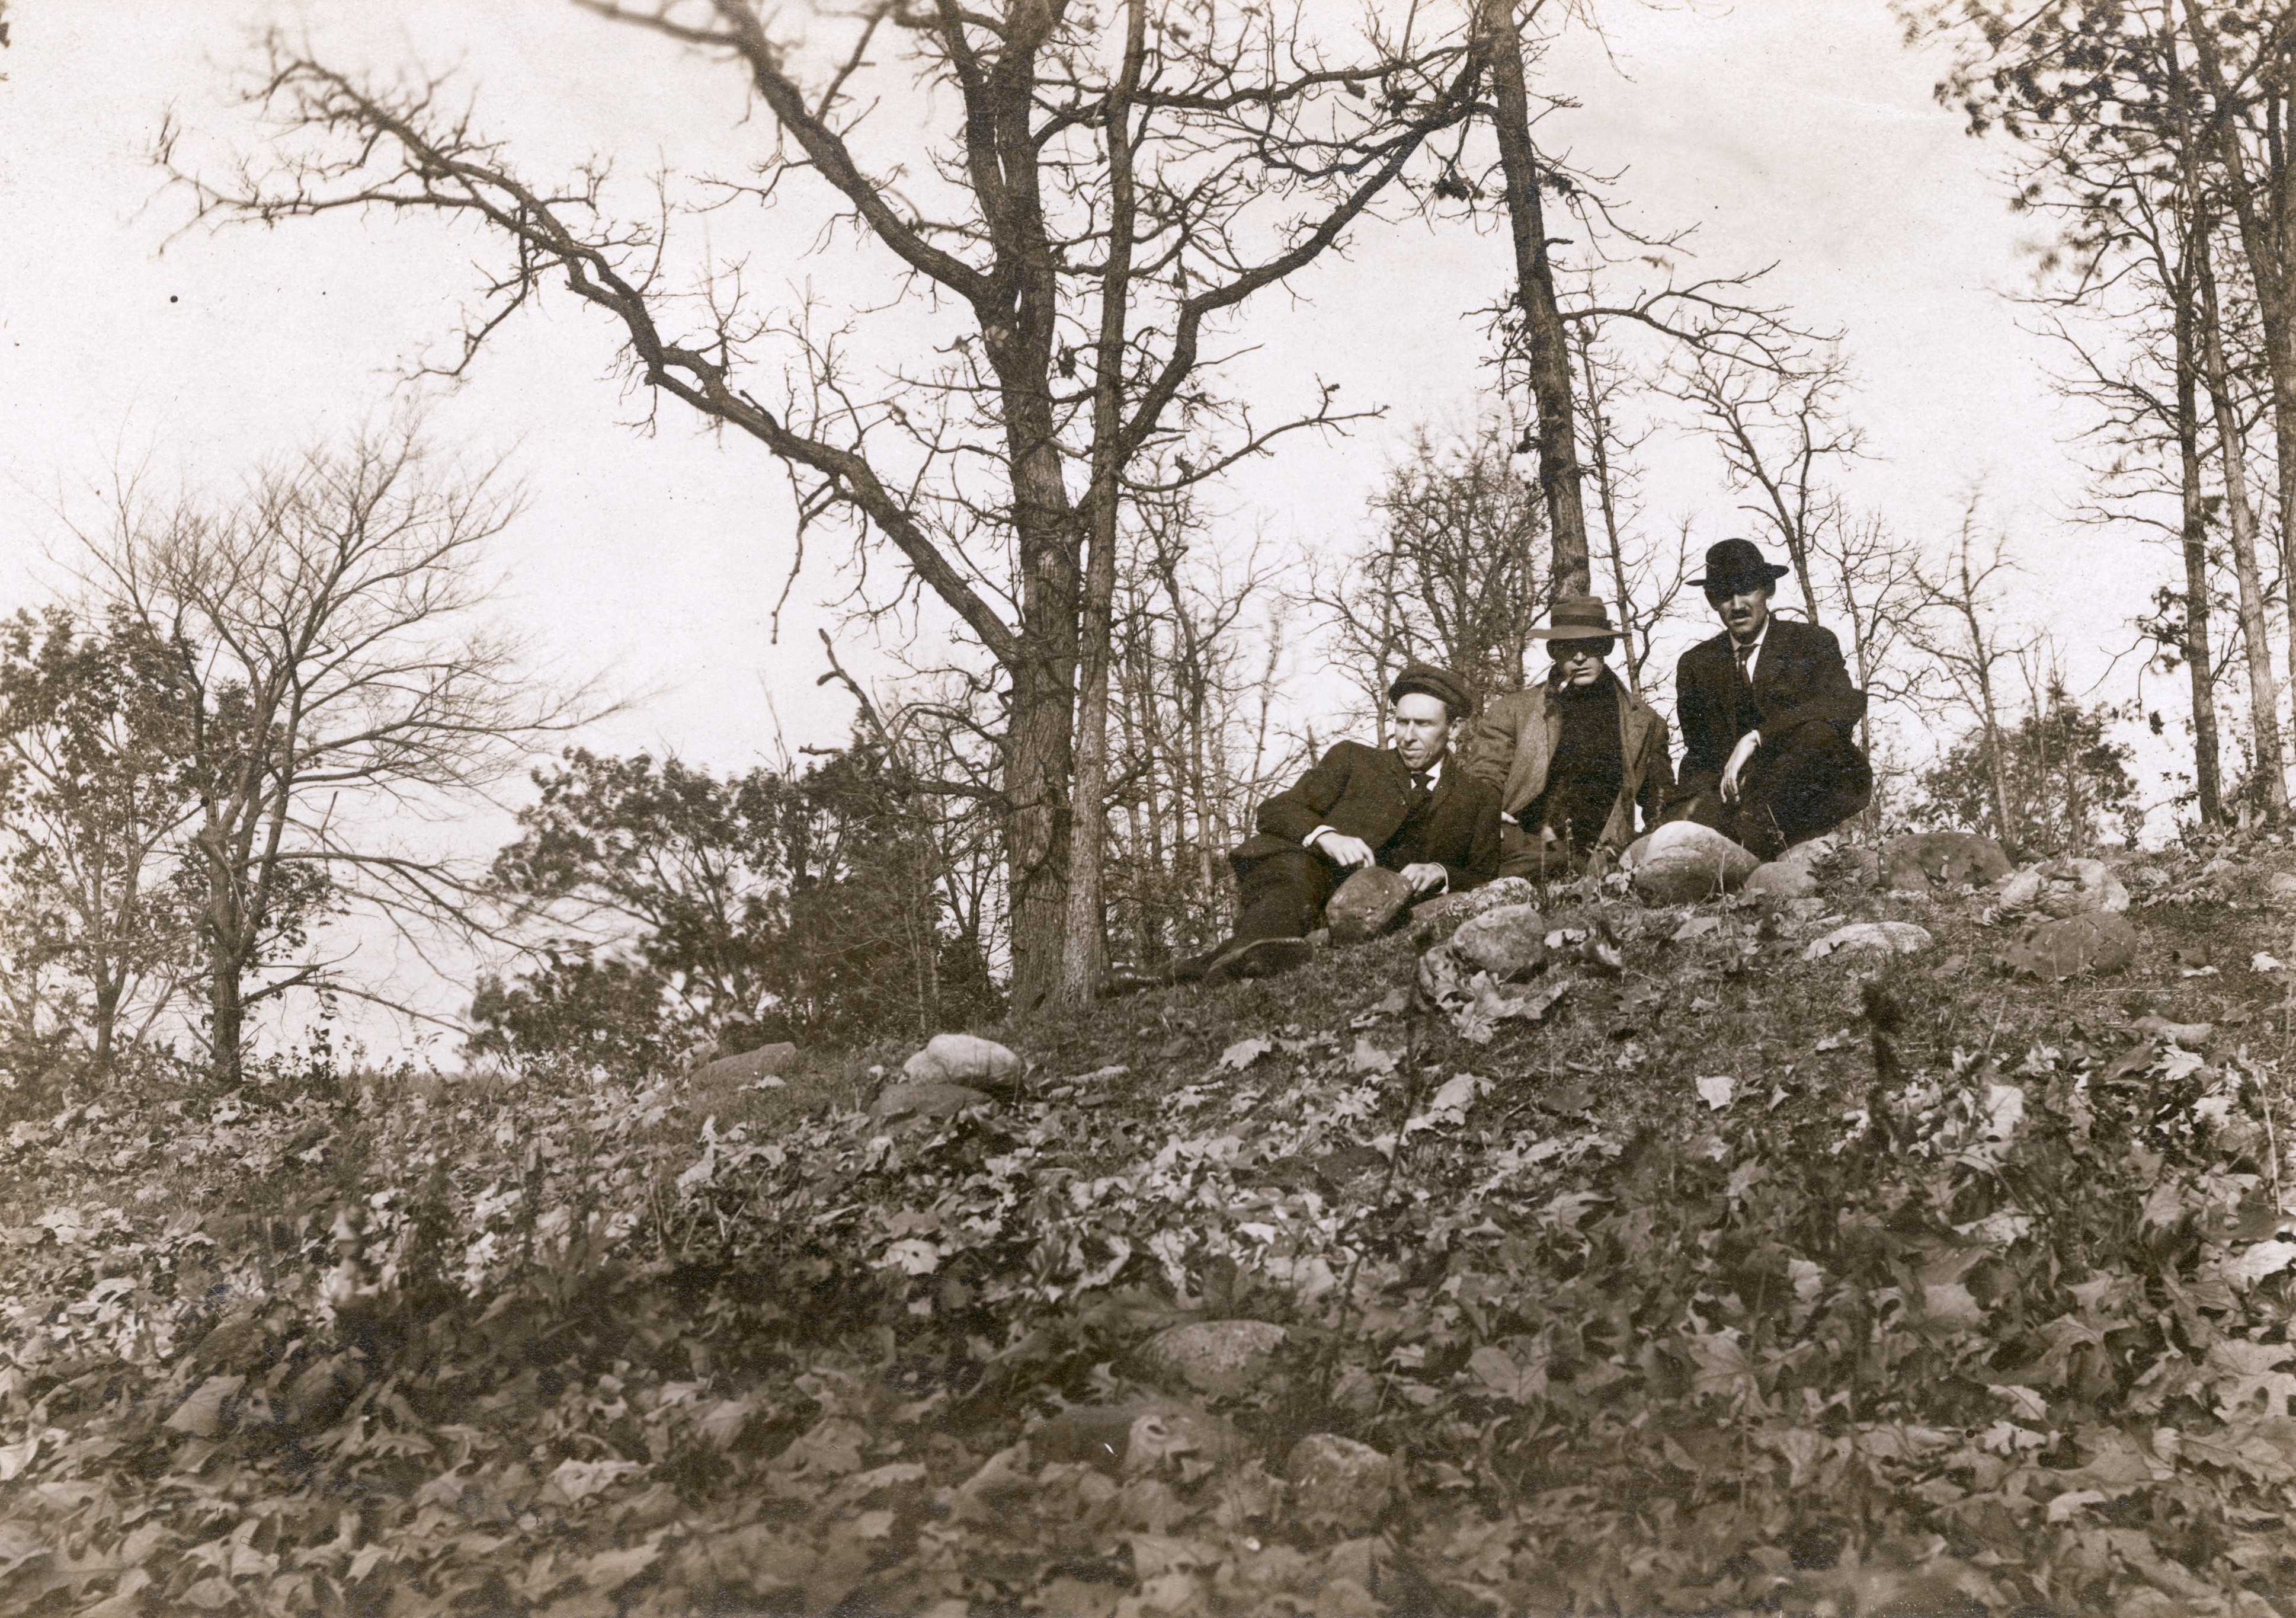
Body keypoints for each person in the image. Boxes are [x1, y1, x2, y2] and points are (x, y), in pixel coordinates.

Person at [1158, 663, 1501, 987]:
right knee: (1294, 875)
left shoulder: (1478, 797)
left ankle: (1185, 973)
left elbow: (1485, 875)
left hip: (1375, 913)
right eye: (1401, 722)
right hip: (1308, 884)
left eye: (1424, 724)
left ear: (1454, 728)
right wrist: (1328, 836)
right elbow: (1278, 809)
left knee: (1259, 946)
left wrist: (1441, 873)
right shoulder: (1354, 760)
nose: (1408, 736)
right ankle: (1244, 963)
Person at [1672, 538, 1871, 859]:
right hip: (1734, 796)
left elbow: (1846, 703)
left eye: (1747, 590)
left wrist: (1758, 737)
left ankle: (1761, 841)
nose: (1737, 605)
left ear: (1769, 589)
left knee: (1817, 733)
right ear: (1712, 601)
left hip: (1804, 794)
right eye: (1725, 594)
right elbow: (1699, 753)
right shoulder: (1697, 663)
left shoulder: (1810, 642)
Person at [1463, 594, 1673, 878]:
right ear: (1553, 651)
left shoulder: (1645, 723)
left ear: (1606, 647)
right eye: (1569, 647)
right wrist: (1490, 814)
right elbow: (1485, 777)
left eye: (1590, 645)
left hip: (1606, 857)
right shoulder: (1512, 711)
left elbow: (1660, 800)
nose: (1579, 657)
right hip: (1526, 847)